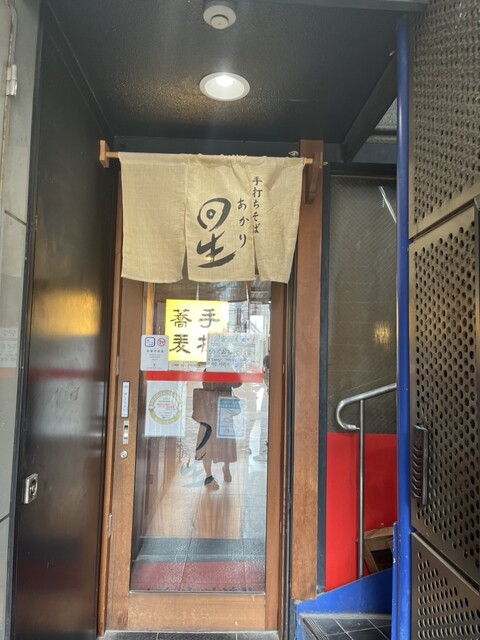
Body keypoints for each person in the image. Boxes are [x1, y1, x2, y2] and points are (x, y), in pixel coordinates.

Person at [192, 379, 241, 490]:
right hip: (209, 409)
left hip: (220, 408)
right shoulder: (211, 371)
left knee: (225, 440)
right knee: (208, 442)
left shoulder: (226, 370)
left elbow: (237, 383)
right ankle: (209, 475)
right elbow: (237, 383)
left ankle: (226, 468)